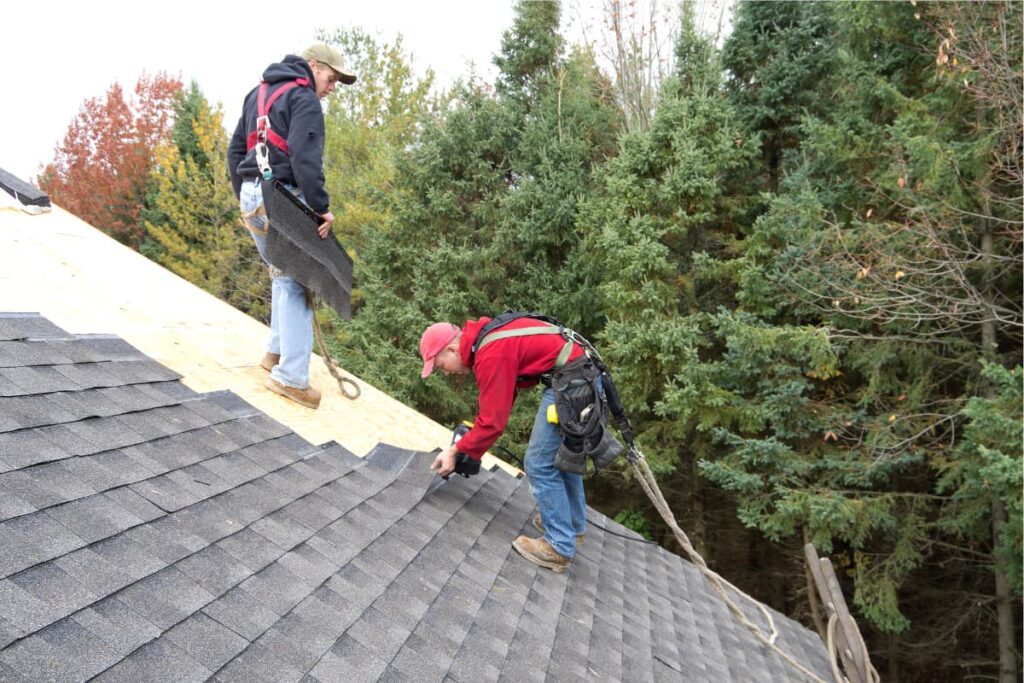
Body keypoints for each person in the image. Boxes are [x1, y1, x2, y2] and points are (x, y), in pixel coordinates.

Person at [228, 43, 356, 409]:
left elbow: (236, 151)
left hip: (254, 196)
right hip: (282, 198)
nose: (333, 87)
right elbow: (305, 157)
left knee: (281, 275)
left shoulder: (258, 93)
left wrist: (248, 194)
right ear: (313, 66)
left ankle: (275, 354)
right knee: (300, 283)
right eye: (331, 78)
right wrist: (320, 209)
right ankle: (292, 378)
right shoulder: (304, 100)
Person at [420, 315, 589, 573]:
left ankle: (559, 546)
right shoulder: (488, 341)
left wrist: (456, 450)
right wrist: (472, 443)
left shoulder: (490, 352)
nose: (446, 372)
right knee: (558, 457)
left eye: (442, 365)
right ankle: (573, 526)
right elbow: (499, 406)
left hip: (571, 381)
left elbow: (492, 424)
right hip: (580, 375)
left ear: (453, 349)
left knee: (538, 463)